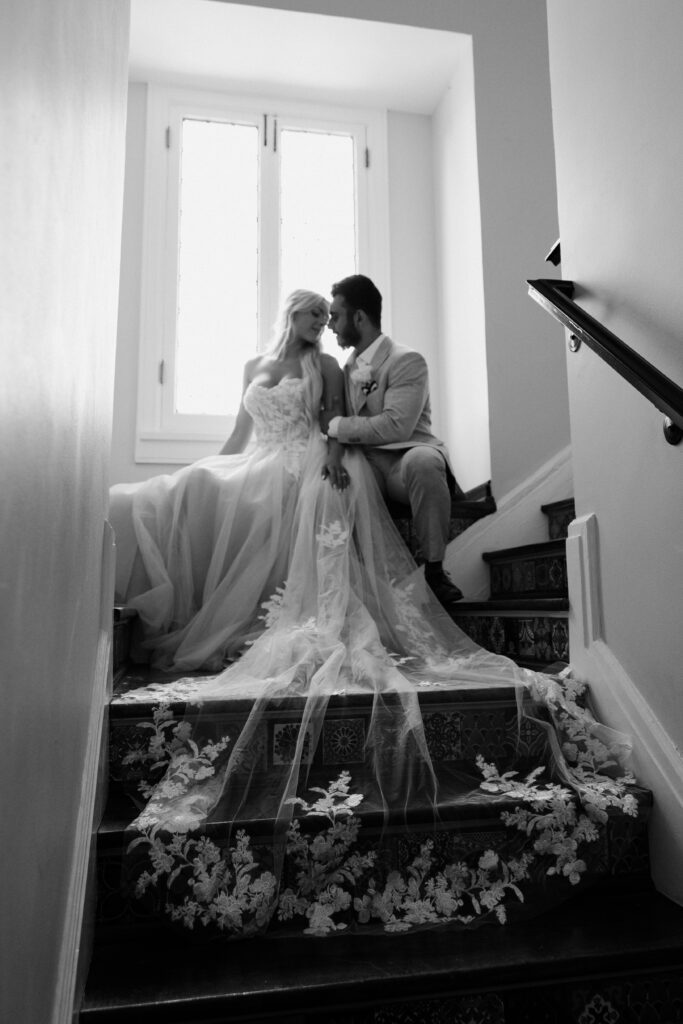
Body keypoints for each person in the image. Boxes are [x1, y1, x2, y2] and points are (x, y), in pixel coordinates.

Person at [113, 290, 637, 943]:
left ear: (348, 317)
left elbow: (344, 424)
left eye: (326, 315)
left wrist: (329, 456)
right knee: (191, 488)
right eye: (309, 316)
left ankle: (424, 580)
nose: (320, 326)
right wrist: (212, 463)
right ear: (288, 317)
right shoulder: (261, 363)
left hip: (331, 456)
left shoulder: (357, 365)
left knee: (319, 495)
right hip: (269, 457)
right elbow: (240, 433)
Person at [322, 274, 464, 608]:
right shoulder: (346, 368)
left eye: (335, 316)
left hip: (405, 458)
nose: (330, 325)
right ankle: (349, 586)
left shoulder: (406, 360)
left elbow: (397, 426)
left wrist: (339, 425)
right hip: (365, 462)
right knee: (332, 483)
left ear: (359, 317)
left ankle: (435, 571)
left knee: (424, 462)